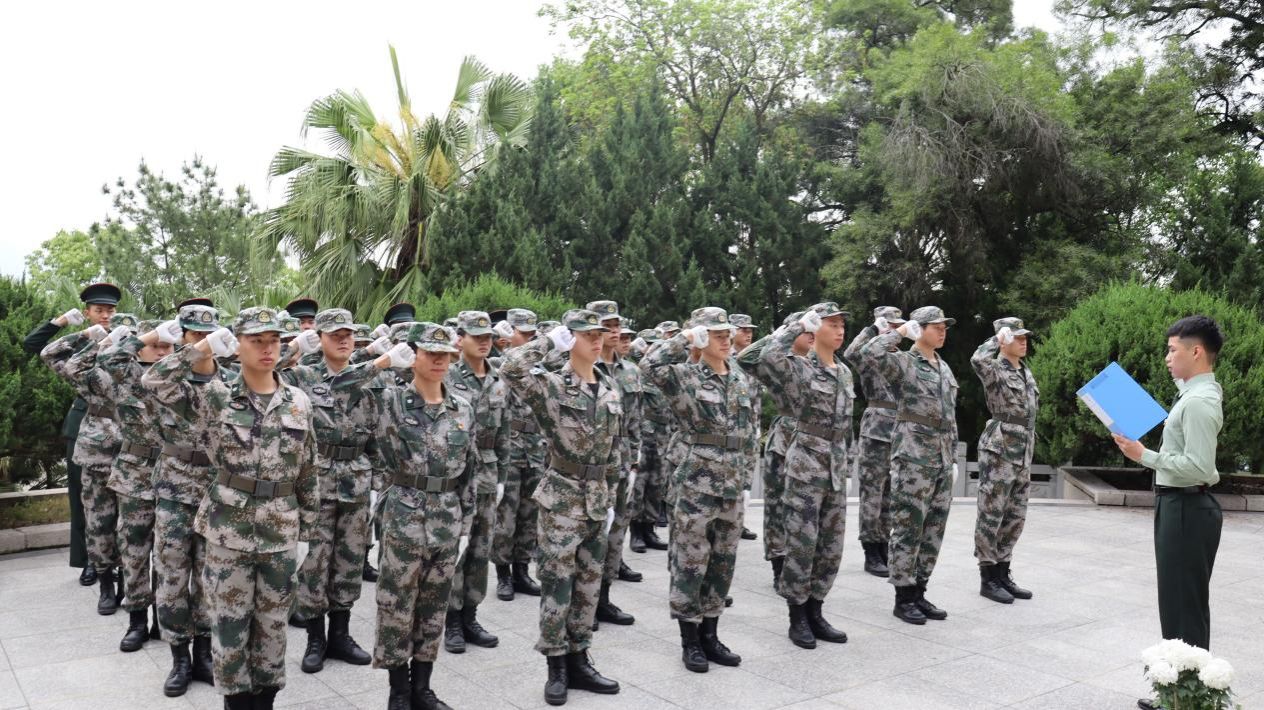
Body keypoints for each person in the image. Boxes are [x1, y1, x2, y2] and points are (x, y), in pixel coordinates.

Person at [143, 307, 319, 709]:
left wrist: (307, 532)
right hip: (228, 532)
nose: (267, 348)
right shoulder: (216, 397)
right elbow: (154, 380)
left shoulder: (298, 402)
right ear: (236, 346)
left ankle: (266, 701)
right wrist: (201, 348)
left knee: (273, 627)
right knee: (229, 626)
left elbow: (309, 470)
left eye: (274, 340)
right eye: (256, 341)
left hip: (281, 530)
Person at [500, 308, 622, 706]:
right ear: (571, 339)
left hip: (596, 497)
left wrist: (613, 492)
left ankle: (580, 659)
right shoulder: (551, 385)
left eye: (600, 334)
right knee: (557, 583)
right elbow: (511, 369)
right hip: (562, 497)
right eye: (588, 334)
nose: (597, 340)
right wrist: (549, 341)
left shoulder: (609, 387)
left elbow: (614, 448)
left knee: (588, 584)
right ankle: (556, 666)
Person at [356, 322, 476, 710]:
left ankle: (422, 687)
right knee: (395, 604)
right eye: (431, 353)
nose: (440, 361)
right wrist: (380, 361)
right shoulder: (390, 401)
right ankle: (398, 690)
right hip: (403, 515)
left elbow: (469, 469)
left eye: (446, 355)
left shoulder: (462, 408)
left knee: (434, 605)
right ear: (414, 356)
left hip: (446, 517)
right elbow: (341, 386)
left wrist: (466, 521)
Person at [1112, 316, 1225, 710]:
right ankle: (1178, 695)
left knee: (1184, 606)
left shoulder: (1198, 403)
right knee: (1178, 603)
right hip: (1180, 505)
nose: (1166, 358)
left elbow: (1198, 466)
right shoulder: (1194, 393)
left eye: (1172, 350)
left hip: (1187, 507)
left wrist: (1145, 455)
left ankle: (1187, 701)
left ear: (1197, 352)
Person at [642, 307, 755, 672]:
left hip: (731, 485)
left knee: (723, 562)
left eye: (726, 333)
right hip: (696, 484)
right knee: (691, 562)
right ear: (702, 337)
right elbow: (649, 366)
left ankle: (711, 634)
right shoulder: (684, 376)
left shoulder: (739, 375)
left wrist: (746, 478)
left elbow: (750, 430)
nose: (725, 339)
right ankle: (689, 639)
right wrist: (685, 338)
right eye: (715, 333)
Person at [743, 303, 853, 649]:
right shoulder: (800, 368)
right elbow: (759, 357)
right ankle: (797, 616)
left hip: (835, 467)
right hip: (806, 466)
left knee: (830, 547)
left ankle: (817, 611)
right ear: (815, 329)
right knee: (802, 545)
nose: (840, 330)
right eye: (831, 324)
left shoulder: (844, 372)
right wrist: (795, 327)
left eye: (842, 325)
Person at [139, 303, 227, 695]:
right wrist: (196, 351)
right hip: (175, 489)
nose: (202, 340)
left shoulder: (230, 380)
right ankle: (179, 658)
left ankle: (204, 654)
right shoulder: (170, 378)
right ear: (183, 336)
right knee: (172, 574)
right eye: (194, 334)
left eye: (207, 334)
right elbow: (150, 379)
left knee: (209, 576)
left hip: (215, 490)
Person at [282, 309, 376, 674]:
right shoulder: (303, 376)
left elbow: (379, 435)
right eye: (334, 334)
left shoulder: (373, 380)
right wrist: (294, 346)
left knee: (349, 562)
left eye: (348, 334)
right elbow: (265, 372)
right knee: (314, 564)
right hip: (316, 483)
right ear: (318, 338)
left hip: (357, 481)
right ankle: (315, 639)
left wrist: (378, 483)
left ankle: (341, 634)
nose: (343, 340)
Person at [859, 307, 958, 625]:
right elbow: (869, 353)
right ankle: (903, 598)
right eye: (936, 326)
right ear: (920, 328)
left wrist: (953, 459)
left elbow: (950, 419)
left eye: (944, 327)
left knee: (933, 531)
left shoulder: (944, 367)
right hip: (914, 459)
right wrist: (900, 332)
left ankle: (919, 591)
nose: (942, 331)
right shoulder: (904, 363)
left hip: (941, 460)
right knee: (908, 529)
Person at [22, 282, 120, 586]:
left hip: (121, 428)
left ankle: (115, 560)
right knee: (82, 499)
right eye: (99, 310)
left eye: (110, 310)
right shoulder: (79, 343)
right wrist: (62, 322)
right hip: (83, 428)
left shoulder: (124, 339)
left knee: (119, 500)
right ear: (88, 313)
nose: (105, 315)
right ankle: (88, 561)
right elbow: (32, 345)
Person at [40, 307, 131, 615]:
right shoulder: (88, 371)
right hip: (97, 457)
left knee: (132, 527)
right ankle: (105, 584)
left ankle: (127, 584)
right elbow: (50, 355)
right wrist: (89, 336)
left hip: (134, 459)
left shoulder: (143, 370)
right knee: (98, 523)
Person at [90, 317, 172, 655]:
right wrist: (147, 336)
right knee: (135, 552)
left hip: (173, 477)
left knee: (169, 557)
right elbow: (107, 357)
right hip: (135, 476)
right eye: (155, 345)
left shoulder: (178, 378)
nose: (161, 351)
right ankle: (137, 621)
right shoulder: (125, 376)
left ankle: (164, 620)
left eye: (167, 346)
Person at [443, 310, 510, 653]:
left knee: (481, 547)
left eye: (488, 338)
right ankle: (451, 619)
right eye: (477, 337)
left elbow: (504, 433)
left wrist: (503, 477)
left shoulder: (498, 379)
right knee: (457, 546)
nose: (484, 343)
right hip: (456, 473)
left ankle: (471, 615)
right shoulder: (448, 375)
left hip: (487, 471)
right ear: (461, 339)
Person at [738, 312, 813, 586]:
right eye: (806, 331)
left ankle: (805, 564)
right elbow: (745, 358)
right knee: (778, 506)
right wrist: (781, 332)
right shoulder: (778, 362)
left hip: (817, 442)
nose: (811, 335)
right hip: (786, 440)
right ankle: (779, 563)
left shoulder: (822, 361)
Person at [970, 318, 1038, 604]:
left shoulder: (1025, 371)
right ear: (1004, 340)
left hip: (1023, 449)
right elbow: (977, 359)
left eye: (1025, 337)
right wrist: (996, 339)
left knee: (1015, 515)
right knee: (992, 513)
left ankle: (1003, 572)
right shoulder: (995, 368)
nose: (1023, 341)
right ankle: (988, 577)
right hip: (1000, 449)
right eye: (1017, 337)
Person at [586, 300, 644, 630]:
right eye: (606, 326)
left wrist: (635, 461)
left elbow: (635, 420)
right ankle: (585, 603)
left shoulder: (631, 371)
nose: (613, 331)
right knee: (592, 535)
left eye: (616, 325)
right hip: (593, 467)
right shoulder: (582, 367)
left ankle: (604, 598)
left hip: (622, 464)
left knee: (616, 531)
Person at [843, 306, 907, 578]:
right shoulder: (868, 356)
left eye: (897, 326)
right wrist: (871, 331)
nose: (895, 330)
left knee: (891, 493)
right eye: (889, 325)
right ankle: (870, 549)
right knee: (873, 493)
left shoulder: (900, 357)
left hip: (900, 429)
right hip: (876, 429)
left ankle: (884, 544)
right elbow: (850, 353)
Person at [491, 309, 546, 602]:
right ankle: (503, 574)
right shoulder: (498, 363)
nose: (530, 339)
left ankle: (522, 571)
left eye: (532, 334)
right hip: (510, 449)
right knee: (506, 516)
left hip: (535, 448)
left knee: (529, 514)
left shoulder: (541, 367)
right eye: (523, 333)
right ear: (507, 333)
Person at [729, 314, 761, 542]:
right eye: (743, 330)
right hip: (732, 432)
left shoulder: (753, 362)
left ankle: (739, 521)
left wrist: (757, 427)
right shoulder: (725, 359)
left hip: (751, 429)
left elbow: (756, 399)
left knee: (745, 479)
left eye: (750, 330)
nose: (748, 334)